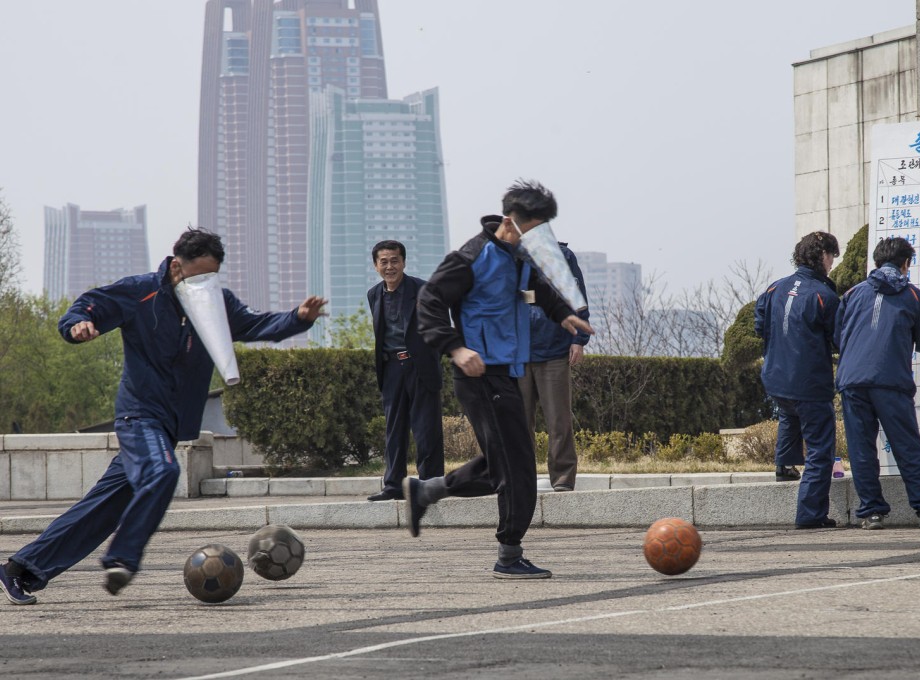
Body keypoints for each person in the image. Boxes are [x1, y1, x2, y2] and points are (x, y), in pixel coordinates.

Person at [0, 228, 327, 605]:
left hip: (169, 426)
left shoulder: (215, 303)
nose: (204, 282)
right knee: (164, 471)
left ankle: (21, 569)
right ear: (176, 266)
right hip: (139, 416)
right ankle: (122, 559)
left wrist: (298, 318)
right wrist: (77, 326)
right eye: (197, 274)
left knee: (102, 510)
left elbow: (256, 325)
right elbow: (88, 307)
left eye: (211, 276)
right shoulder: (140, 292)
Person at [408, 179, 593, 579]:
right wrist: (456, 348)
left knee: (501, 466)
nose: (542, 236)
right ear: (511, 221)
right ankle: (508, 555)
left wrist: (564, 315)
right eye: (536, 227)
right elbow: (429, 303)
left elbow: (539, 290)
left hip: (508, 371)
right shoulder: (471, 258)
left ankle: (427, 490)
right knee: (516, 468)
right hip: (478, 374)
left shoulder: (520, 254)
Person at [835, 236, 920, 530]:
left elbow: (838, 338)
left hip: (851, 381)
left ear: (875, 262)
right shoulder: (913, 296)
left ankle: (871, 512)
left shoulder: (851, 294)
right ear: (906, 263)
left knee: (861, 449)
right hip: (890, 379)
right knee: (907, 445)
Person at [754, 231, 841, 528]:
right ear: (822, 256)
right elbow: (839, 339)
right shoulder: (824, 295)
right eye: (832, 257)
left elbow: (759, 326)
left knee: (789, 413)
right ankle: (810, 514)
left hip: (775, 378)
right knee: (820, 448)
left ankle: (784, 465)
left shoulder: (773, 288)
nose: (832, 264)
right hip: (810, 383)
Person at [365, 240, 444, 501]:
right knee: (394, 429)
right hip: (391, 368)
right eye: (384, 262)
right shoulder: (374, 294)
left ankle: (429, 485)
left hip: (419, 366)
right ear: (376, 265)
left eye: (394, 260)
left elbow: (441, 326)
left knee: (426, 429)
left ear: (404, 262)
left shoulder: (422, 289)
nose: (390, 266)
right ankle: (393, 486)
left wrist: (430, 355)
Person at [518, 242, 589, 492]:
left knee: (559, 421)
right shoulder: (508, 252)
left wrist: (578, 340)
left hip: (555, 349)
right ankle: (521, 478)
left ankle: (562, 478)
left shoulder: (563, 255)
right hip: (517, 351)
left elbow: (576, 299)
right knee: (518, 422)